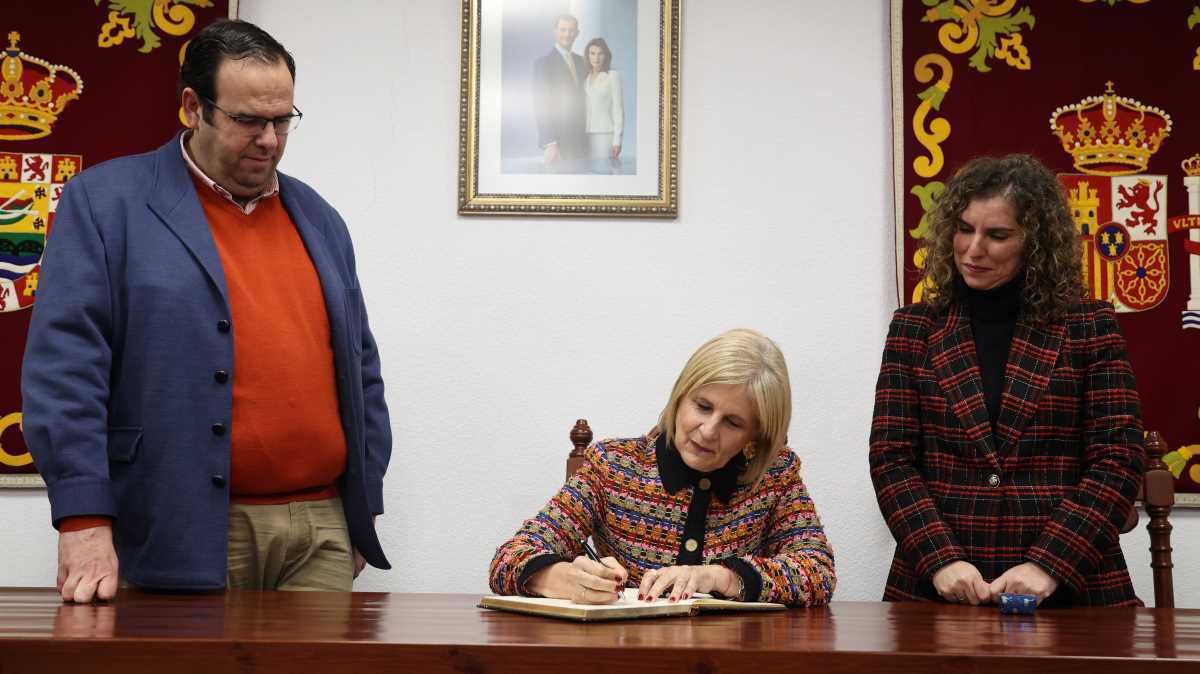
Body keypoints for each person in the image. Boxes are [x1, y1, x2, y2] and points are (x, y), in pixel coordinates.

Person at [21, 19, 392, 601]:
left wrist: (360, 507)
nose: (269, 139)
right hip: (179, 526)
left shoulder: (319, 218)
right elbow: (65, 373)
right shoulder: (106, 203)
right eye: (248, 120)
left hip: (322, 530)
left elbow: (360, 368)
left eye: (282, 120)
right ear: (193, 108)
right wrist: (82, 517)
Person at [869, 154, 1144, 607]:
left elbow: (1116, 460)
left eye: (997, 235)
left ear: (1034, 244)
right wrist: (941, 560)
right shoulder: (913, 329)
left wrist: (1049, 564)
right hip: (938, 587)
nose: (973, 249)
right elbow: (891, 460)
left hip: (1072, 588)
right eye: (964, 228)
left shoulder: (1089, 326)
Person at [489, 329, 835, 606]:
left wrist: (721, 577)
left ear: (754, 436)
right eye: (702, 406)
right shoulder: (613, 466)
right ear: (679, 396)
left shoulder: (773, 476)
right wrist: (557, 577)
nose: (708, 430)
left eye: (732, 422)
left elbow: (817, 572)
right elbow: (510, 557)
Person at [532, 15, 587, 172]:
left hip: (583, 140)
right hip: (559, 142)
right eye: (563, 29)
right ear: (555, 32)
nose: (567, 34)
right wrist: (550, 143)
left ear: (577, 33)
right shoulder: (543, 64)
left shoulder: (583, 62)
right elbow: (541, 104)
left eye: (571, 30)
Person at [582, 37, 623, 174]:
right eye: (592, 53)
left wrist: (617, 140)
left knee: (603, 173)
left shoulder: (612, 76)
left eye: (600, 53)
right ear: (588, 56)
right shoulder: (586, 78)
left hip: (605, 135)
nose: (596, 58)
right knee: (589, 175)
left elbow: (618, 110)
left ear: (606, 55)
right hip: (587, 135)